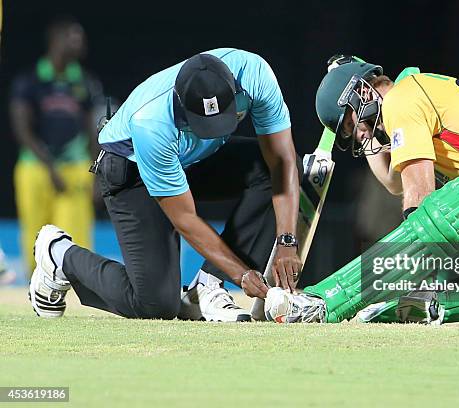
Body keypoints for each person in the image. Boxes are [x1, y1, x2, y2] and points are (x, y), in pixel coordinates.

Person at [265, 58, 459, 327]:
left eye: (354, 124)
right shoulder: (415, 91)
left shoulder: (405, 98)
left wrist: (412, 271)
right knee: (395, 309)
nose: (361, 136)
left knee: (453, 206)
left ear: (363, 92)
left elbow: (418, 195)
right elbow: (393, 181)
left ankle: (322, 303)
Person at [29, 48, 303, 322]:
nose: (217, 130)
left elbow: (282, 160)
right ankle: (59, 255)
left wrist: (287, 241)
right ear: (181, 104)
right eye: (203, 123)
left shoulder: (254, 74)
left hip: (190, 159)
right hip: (131, 170)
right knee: (156, 305)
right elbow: (184, 218)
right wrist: (240, 274)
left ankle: (206, 288)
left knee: (269, 169)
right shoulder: (152, 122)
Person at [10, 16, 101, 275]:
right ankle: (36, 289)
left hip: (74, 168)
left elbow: (94, 129)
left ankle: (77, 292)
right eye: (75, 37)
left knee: (76, 236)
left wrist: (95, 173)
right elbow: (22, 129)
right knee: (35, 234)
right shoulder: (29, 80)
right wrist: (50, 167)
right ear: (56, 40)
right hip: (35, 167)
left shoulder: (85, 81)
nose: (81, 43)